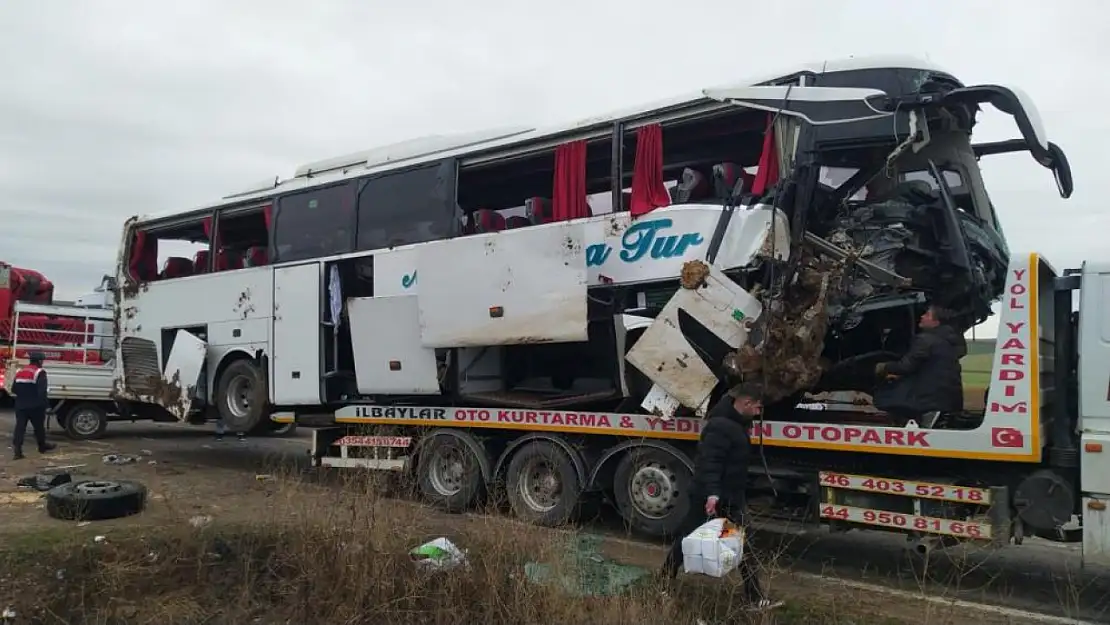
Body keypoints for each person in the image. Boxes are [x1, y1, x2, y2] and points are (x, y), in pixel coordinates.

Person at [661, 381, 781, 612]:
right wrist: (713, 494)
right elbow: (709, 463)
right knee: (686, 539)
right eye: (757, 407)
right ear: (745, 403)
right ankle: (664, 581)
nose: (759, 412)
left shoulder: (735, 423)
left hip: (729, 496)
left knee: (743, 543)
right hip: (712, 497)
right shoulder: (721, 427)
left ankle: (754, 598)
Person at [873, 304, 967, 427]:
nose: (922, 316)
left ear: (936, 322)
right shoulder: (949, 341)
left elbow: (905, 366)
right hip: (948, 398)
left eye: (927, 315)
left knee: (885, 396)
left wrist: (883, 367)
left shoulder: (926, 339)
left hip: (928, 400)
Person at [11, 352, 56, 460]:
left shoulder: (20, 371)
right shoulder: (40, 372)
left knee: (20, 428)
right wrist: (47, 406)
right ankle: (42, 447)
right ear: (40, 361)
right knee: (39, 428)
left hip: (21, 405)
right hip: (35, 406)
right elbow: (42, 392)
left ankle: (17, 451)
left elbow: (13, 389)